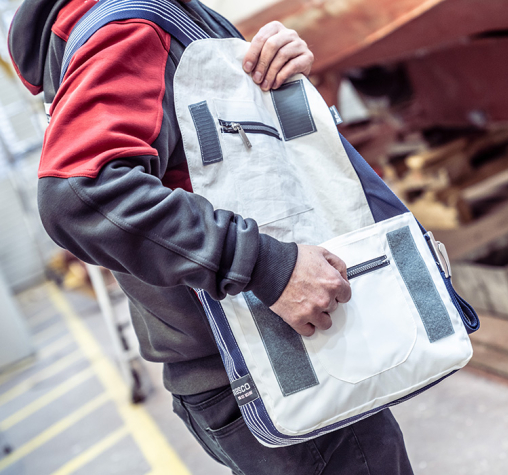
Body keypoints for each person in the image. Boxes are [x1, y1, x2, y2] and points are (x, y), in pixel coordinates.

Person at [9, 0, 414, 473]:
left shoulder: (138, 19)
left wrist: (279, 77)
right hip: (267, 362)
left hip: (239, 362)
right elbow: (82, 194)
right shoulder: (126, 25)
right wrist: (268, 266)